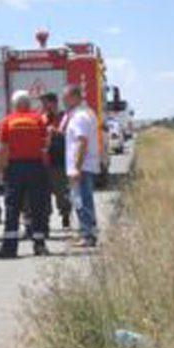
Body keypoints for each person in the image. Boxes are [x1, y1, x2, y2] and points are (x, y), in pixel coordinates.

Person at [0, 91, 49, 258]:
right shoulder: (38, 120)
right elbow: (45, 146)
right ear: (29, 104)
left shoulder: (8, 121)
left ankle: (9, 248)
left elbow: (3, 149)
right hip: (36, 166)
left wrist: (2, 170)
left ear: (15, 105)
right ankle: (39, 244)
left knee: (12, 207)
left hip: (15, 168)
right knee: (37, 206)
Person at [63, 85, 100, 247]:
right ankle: (87, 232)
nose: (64, 101)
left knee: (82, 200)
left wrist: (77, 167)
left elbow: (82, 142)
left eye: (66, 98)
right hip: (83, 166)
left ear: (75, 97)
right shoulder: (86, 113)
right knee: (83, 200)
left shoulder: (80, 117)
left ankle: (87, 235)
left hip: (81, 167)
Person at [40, 92, 72, 230]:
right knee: (44, 192)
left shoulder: (64, 117)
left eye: (45, 102)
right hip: (44, 161)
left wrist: (57, 132)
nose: (43, 105)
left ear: (53, 103)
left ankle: (65, 215)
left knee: (61, 191)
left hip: (59, 160)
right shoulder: (41, 118)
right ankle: (45, 219)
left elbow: (71, 135)